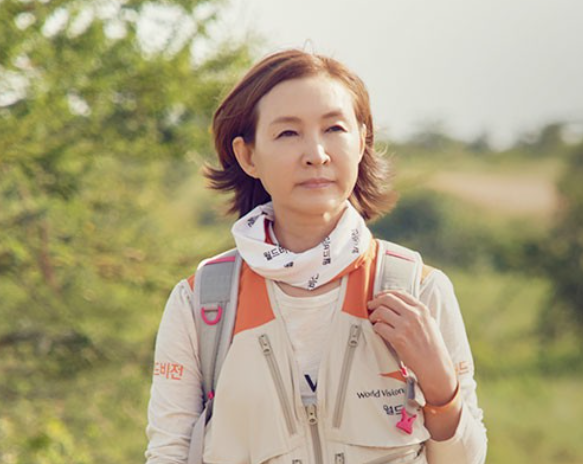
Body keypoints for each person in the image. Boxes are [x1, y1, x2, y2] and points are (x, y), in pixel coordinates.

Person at [145, 49, 487, 464]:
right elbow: (169, 453)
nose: (317, 154)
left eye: (334, 128)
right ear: (248, 156)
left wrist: (441, 387)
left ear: (361, 142)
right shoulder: (202, 302)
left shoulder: (418, 288)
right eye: (288, 133)